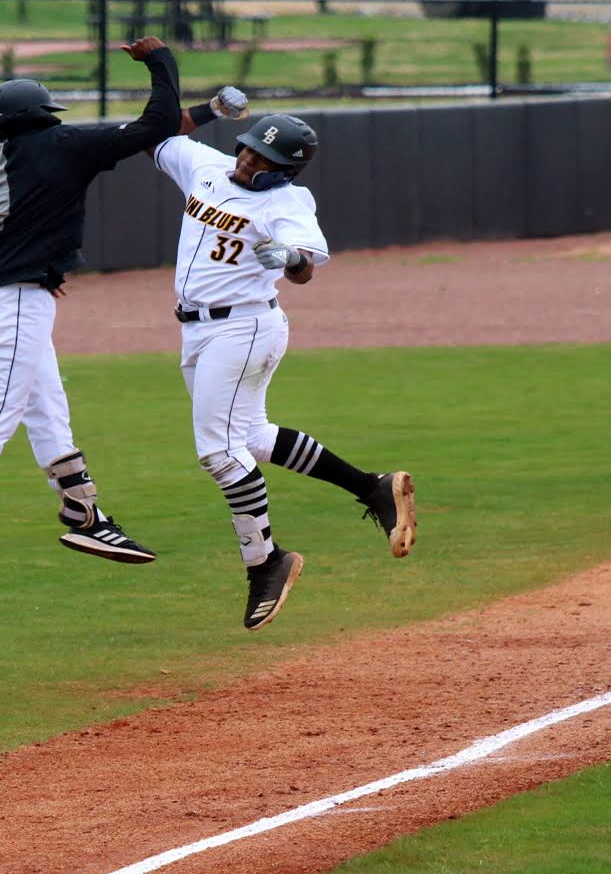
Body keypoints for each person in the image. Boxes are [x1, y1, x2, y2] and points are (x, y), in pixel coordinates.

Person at [0, 37, 181, 599]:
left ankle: (84, 511)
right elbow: (156, 123)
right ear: (43, 114)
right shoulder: (61, 144)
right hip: (11, 300)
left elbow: (21, 221)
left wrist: (45, 264)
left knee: (47, 409)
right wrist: (160, 61)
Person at [150, 92, 418, 630]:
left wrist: (292, 258)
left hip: (244, 327)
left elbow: (305, 267)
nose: (249, 164)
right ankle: (373, 487)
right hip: (199, 330)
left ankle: (266, 563)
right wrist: (209, 111)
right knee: (249, 439)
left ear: (286, 171)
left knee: (219, 452)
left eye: (264, 163)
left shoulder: (288, 203)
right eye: (248, 153)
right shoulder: (208, 166)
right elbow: (160, 133)